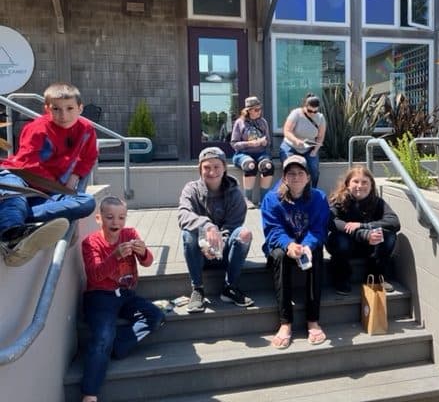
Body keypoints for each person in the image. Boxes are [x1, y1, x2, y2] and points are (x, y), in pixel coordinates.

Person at [0, 82, 97, 266]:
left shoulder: (86, 130)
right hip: (19, 177)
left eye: (70, 108)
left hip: (47, 193)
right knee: (16, 197)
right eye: (56, 109)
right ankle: (12, 235)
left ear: (80, 108)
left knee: (87, 202)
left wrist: (76, 175)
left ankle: (19, 222)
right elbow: (28, 166)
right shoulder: (37, 128)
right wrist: (58, 188)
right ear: (47, 109)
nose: (63, 115)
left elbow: (89, 156)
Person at [80, 196, 165, 402]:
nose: (116, 222)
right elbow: (95, 275)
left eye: (121, 217)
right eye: (110, 217)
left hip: (126, 294)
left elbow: (147, 262)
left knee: (155, 316)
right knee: (102, 337)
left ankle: (115, 345)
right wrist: (115, 256)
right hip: (99, 296)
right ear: (99, 219)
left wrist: (144, 252)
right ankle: (90, 393)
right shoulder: (90, 242)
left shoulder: (130, 234)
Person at [261, 155, 330, 349]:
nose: (296, 177)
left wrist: (307, 244)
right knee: (280, 256)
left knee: (316, 254)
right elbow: (273, 230)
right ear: (284, 177)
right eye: (291, 173)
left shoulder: (319, 197)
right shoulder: (271, 199)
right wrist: (289, 245)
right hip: (283, 248)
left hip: (307, 246)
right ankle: (285, 323)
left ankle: (313, 320)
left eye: (301, 173)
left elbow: (319, 229)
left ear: (308, 177)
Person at [178, 147, 255, 313]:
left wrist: (217, 246)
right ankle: (197, 288)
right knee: (187, 234)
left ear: (224, 168)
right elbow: (183, 215)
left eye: (216, 166)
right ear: (200, 169)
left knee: (244, 234)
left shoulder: (235, 194)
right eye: (206, 167)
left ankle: (230, 287)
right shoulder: (191, 189)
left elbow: (233, 226)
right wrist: (207, 226)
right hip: (198, 253)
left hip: (224, 251)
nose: (211, 171)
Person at [327, 165, 399, 295]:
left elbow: (394, 222)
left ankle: (374, 276)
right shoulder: (338, 200)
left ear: (371, 185)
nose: (360, 186)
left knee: (389, 236)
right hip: (345, 247)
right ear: (348, 184)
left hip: (368, 248)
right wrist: (363, 234)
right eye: (355, 181)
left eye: (365, 182)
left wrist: (363, 226)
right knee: (340, 239)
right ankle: (342, 277)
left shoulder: (377, 202)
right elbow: (332, 222)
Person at [230, 96, 274, 209]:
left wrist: (264, 142)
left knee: (268, 166)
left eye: (260, 109)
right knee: (250, 166)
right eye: (256, 109)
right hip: (242, 154)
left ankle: (264, 199)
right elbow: (234, 144)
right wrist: (249, 144)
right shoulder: (240, 123)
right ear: (248, 110)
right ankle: (247, 199)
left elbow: (268, 141)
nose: (259, 112)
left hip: (260, 153)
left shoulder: (263, 122)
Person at [279, 93, 326, 188]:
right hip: (291, 146)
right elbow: (287, 131)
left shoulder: (320, 118)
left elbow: (320, 137)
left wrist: (315, 150)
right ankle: (287, 190)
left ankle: (312, 191)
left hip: (309, 148)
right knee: (291, 167)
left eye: (315, 111)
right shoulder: (296, 114)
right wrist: (296, 141)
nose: (312, 113)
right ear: (304, 106)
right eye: (309, 111)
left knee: (314, 169)